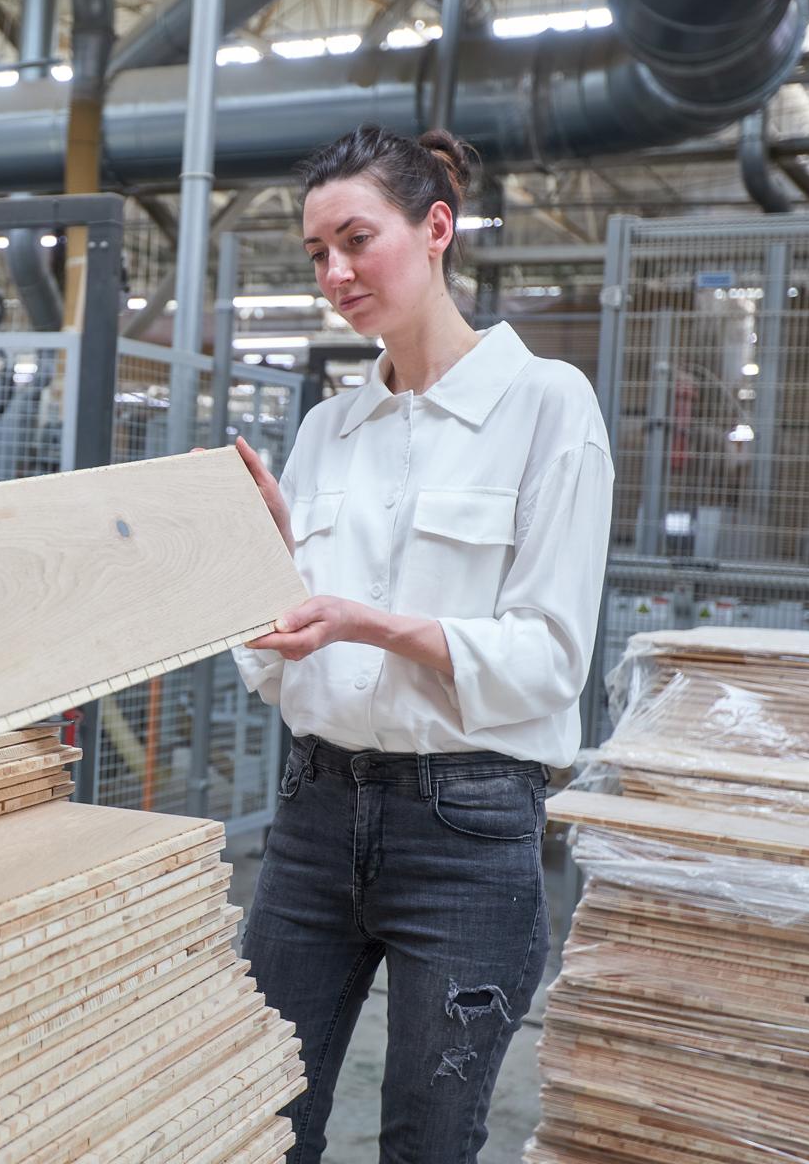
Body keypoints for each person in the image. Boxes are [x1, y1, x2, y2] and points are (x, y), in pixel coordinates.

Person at [229, 124, 614, 1163]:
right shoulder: (324, 433)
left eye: (357, 238)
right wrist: (251, 572)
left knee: (428, 1142)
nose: (336, 272)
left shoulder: (545, 407)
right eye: (316, 254)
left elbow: (548, 660)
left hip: (469, 828)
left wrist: (366, 621)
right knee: (258, 1123)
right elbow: (272, 666)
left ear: (436, 227)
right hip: (311, 822)